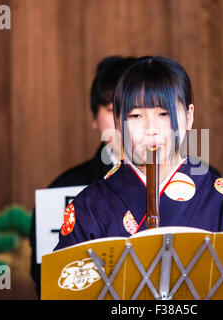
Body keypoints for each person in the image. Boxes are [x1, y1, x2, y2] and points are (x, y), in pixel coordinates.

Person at [54, 56, 223, 251]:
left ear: (189, 116)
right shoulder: (90, 206)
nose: (151, 128)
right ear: (118, 123)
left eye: (164, 113)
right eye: (136, 115)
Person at [30, 56, 137, 297]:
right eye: (112, 110)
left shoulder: (201, 181)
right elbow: (49, 281)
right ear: (94, 118)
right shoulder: (64, 189)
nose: (124, 121)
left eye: (135, 110)